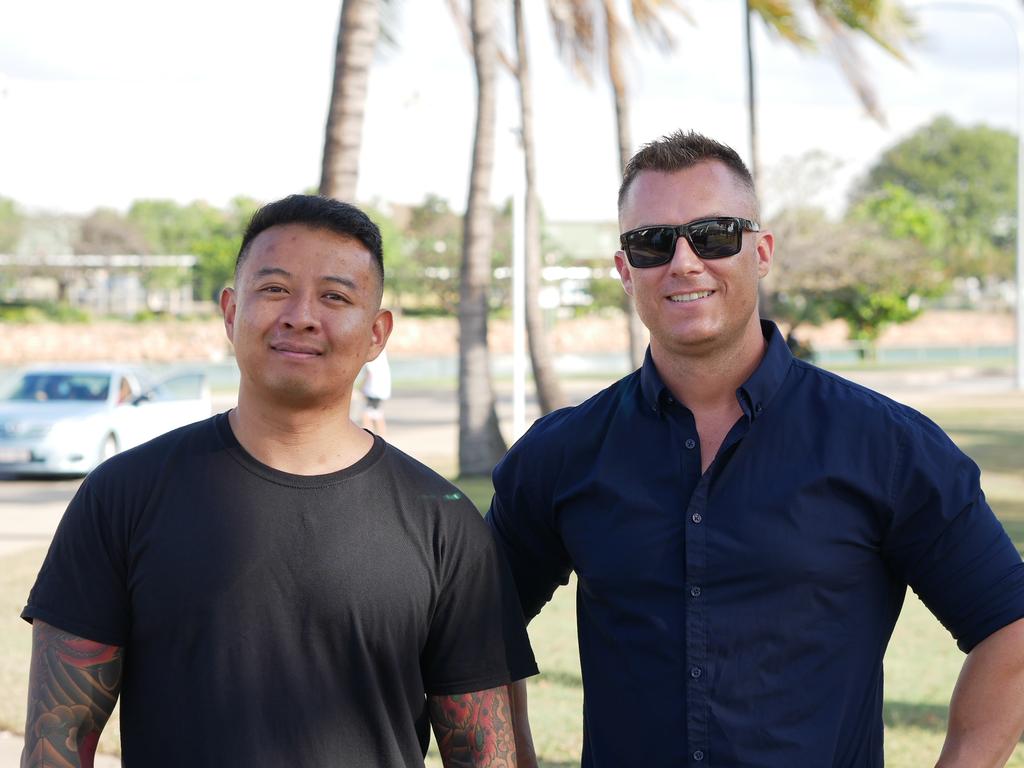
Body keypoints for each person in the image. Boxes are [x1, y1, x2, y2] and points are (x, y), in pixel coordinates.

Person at [487, 131, 1024, 767]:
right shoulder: (564, 453)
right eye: (653, 242)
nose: (684, 263)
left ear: (760, 251)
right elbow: (476, 635)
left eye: (713, 235)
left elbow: (1008, 626)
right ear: (625, 269)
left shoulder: (886, 446)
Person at [21, 194, 536, 768]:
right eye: (274, 289)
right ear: (230, 312)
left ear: (376, 334)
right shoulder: (122, 496)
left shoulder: (444, 523)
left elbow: (490, 757)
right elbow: (58, 738)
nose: (301, 315)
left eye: (336, 296)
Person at [360, 348, 392, 436]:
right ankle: (381, 438)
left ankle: (367, 439)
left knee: (367, 415)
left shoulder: (372, 355)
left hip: (373, 390)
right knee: (376, 414)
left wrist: (362, 388)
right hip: (381, 389)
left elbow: (369, 373)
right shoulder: (380, 351)